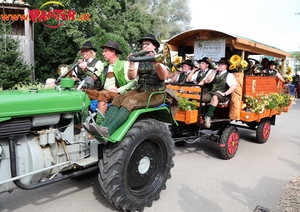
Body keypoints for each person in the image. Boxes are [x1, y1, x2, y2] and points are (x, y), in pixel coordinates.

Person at [84, 34, 168, 140]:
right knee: (118, 98)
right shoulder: (140, 60)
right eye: (143, 44)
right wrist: (132, 65)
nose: (144, 46)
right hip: (141, 90)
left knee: (130, 101)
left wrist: (156, 63)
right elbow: (131, 77)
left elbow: (163, 76)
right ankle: (101, 128)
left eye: (147, 44)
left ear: (155, 46)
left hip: (156, 93)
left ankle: (108, 131)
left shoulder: (160, 59)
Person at [83, 40, 137, 125]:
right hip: (104, 91)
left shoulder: (124, 64)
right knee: (83, 92)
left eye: (105, 51)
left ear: (113, 52)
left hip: (118, 93)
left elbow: (133, 82)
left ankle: (99, 125)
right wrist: (85, 69)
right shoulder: (103, 65)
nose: (103, 54)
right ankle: (83, 123)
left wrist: (119, 90)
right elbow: (94, 76)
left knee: (103, 94)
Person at [202, 57, 238, 128]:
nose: (219, 65)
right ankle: (204, 114)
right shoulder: (215, 73)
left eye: (222, 64)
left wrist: (224, 93)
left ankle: (208, 117)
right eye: (219, 64)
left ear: (226, 66)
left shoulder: (229, 75)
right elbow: (207, 80)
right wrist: (213, 71)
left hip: (223, 96)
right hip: (212, 93)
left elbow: (234, 86)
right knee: (200, 97)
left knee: (215, 96)